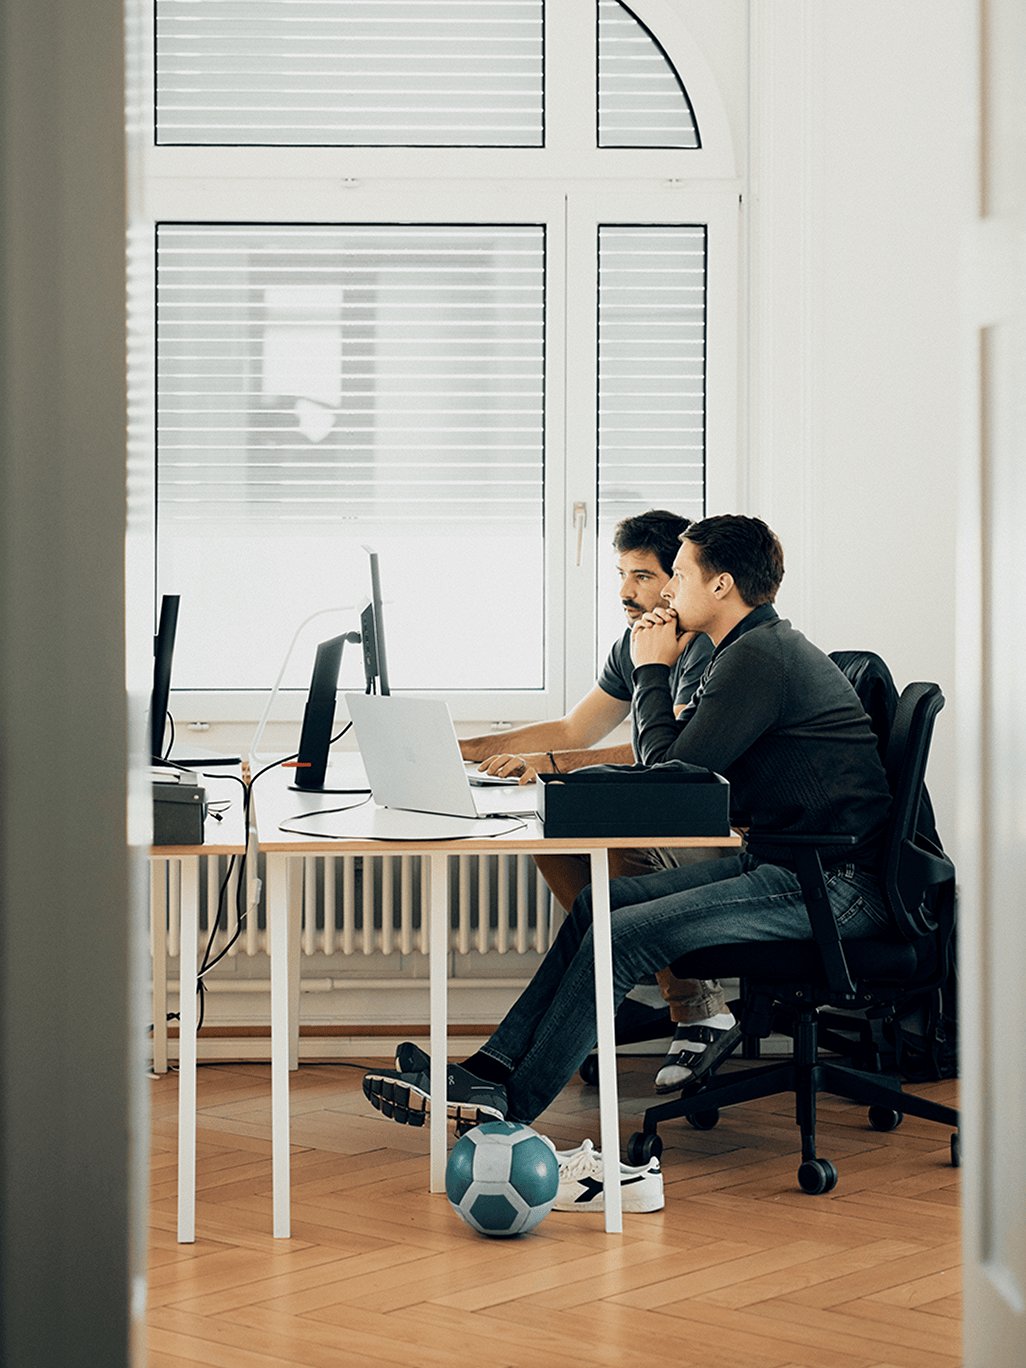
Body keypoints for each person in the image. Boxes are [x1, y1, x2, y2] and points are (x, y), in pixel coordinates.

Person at [363, 515, 895, 1205]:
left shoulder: (758, 656)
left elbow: (669, 771)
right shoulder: (746, 650)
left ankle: (510, 1106)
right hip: (788, 864)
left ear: (722, 583)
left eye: (678, 573)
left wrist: (651, 668)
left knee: (628, 934)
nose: (668, 590)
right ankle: (488, 1070)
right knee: (598, 905)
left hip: (833, 883)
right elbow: (679, 763)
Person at [459, 509, 733, 1091]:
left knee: (615, 844)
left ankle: (698, 1005)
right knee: (550, 837)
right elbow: (572, 730)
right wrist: (466, 747)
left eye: (641, 576)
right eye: (621, 575)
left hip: (720, 830)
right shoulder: (637, 642)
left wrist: (545, 768)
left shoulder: (707, 648)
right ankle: (621, 982)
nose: (625, 592)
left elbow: (662, 757)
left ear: (678, 580)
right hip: (676, 817)